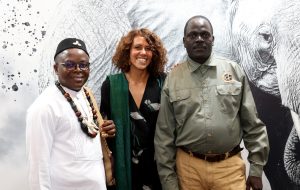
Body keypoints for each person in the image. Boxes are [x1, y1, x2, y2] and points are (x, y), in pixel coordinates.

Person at [154, 15, 269, 190]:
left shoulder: (234, 71)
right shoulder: (173, 78)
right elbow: (164, 135)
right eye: (193, 35)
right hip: (188, 170)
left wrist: (256, 169)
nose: (199, 39)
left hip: (229, 169)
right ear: (184, 41)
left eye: (204, 34)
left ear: (213, 39)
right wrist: (169, 181)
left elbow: (252, 125)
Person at [26, 38, 115, 190]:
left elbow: (86, 134)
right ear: (55, 68)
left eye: (83, 65)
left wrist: (105, 131)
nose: (78, 69)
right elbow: (37, 169)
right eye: (69, 64)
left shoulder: (87, 95)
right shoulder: (44, 107)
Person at [100, 28, 167, 190]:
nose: (143, 52)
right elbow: (103, 126)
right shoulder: (112, 85)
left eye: (149, 48)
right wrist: (107, 129)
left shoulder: (163, 83)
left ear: (154, 54)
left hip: (158, 168)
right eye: (138, 47)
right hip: (124, 168)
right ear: (127, 52)